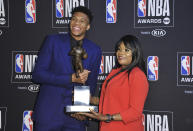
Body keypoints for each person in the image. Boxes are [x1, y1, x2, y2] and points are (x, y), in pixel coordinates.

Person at [32, 6, 102, 131]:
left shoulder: (95, 50)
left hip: (75, 118)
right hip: (49, 113)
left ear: (88, 26)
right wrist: (70, 79)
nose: (77, 23)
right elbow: (38, 74)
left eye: (82, 21)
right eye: (74, 19)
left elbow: (91, 84)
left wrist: (82, 109)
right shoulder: (52, 41)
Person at [79, 35, 149, 131]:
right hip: (107, 127)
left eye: (126, 50)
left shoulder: (137, 75)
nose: (120, 53)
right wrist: (87, 99)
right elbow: (110, 100)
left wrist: (107, 117)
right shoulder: (115, 72)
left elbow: (135, 112)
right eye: (119, 49)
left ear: (135, 52)